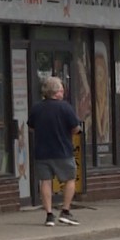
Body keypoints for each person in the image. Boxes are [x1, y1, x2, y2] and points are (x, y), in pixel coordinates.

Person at [27, 76, 82, 227]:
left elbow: (31, 127)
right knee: (69, 180)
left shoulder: (36, 108)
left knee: (45, 182)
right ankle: (65, 211)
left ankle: (49, 215)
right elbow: (76, 128)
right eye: (61, 90)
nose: (63, 92)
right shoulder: (65, 107)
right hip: (62, 151)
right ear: (56, 92)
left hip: (42, 152)